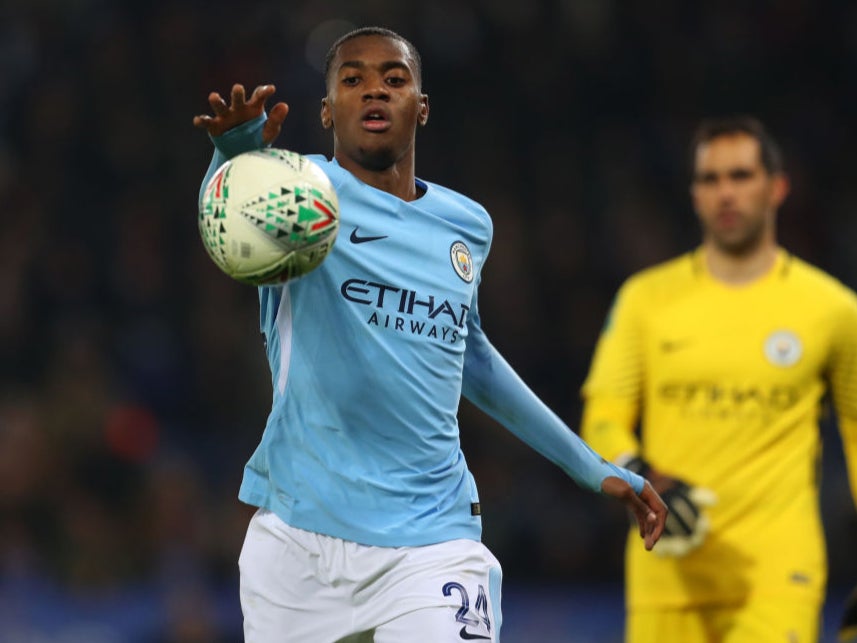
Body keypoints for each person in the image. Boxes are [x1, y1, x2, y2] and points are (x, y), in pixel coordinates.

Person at [192, 26, 667, 643]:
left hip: (433, 541)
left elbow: (469, 356)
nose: (374, 91)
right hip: (297, 543)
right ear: (326, 109)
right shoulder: (301, 193)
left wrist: (586, 466)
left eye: (394, 79)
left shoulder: (466, 226)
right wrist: (234, 150)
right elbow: (227, 221)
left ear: (421, 105)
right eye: (353, 79)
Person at [579, 114, 857, 643]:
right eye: (710, 179)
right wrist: (640, 476)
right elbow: (604, 413)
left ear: (777, 188)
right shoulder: (645, 301)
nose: (725, 192)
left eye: (741, 176)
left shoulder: (833, 311)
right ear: (694, 195)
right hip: (666, 570)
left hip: (776, 576)